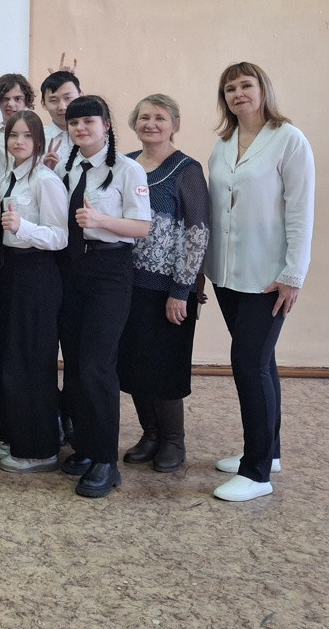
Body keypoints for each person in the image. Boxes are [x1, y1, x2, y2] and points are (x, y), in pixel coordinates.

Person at [205, 63, 314, 503]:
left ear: (263, 89)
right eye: (229, 88)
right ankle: (270, 452)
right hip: (227, 273)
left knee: (248, 364)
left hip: (268, 277)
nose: (238, 93)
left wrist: (293, 274)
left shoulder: (289, 139)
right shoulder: (223, 144)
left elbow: (301, 210)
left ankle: (256, 472)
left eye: (245, 85)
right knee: (262, 361)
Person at [58, 95, 151, 498]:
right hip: (70, 269)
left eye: (88, 122)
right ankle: (86, 447)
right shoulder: (65, 168)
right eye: (74, 123)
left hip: (109, 271)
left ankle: (106, 462)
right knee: (76, 363)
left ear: (106, 125)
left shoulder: (127, 169)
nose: (80, 129)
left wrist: (101, 220)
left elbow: (142, 227)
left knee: (98, 364)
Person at [117, 95, 210, 473]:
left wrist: (180, 291)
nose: (150, 124)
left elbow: (197, 234)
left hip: (169, 289)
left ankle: (173, 440)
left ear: (174, 124)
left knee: (164, 366)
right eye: (144, 117)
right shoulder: (124, 164)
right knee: (135, 363)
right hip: (127, 285)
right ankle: (150, 434)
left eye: (159, 117)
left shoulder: (187, 170)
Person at [0, 110, 69, 473]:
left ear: (39, 140)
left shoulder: (45, 179)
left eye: (26, 135)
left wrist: (23, 227)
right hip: (12, 272)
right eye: (13, 135)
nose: (19, 141)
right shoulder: (10, 175)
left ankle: (40, 449)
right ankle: (18, 437)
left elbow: (60, 236)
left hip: (37, 273)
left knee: (33, 361)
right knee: (14, 358)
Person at [40, 69, 82, 175]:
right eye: (53, 100)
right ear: (43, 104)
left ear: (81, 96)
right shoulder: (37, 140)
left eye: (67, 98)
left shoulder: (92, 137)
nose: (62, 107)